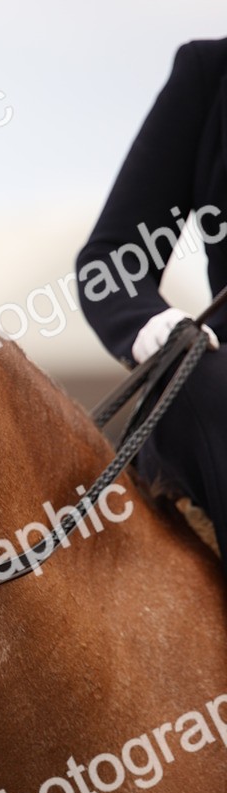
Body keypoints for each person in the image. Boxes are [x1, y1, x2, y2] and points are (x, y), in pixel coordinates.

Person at [75, 37, 227, 568]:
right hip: (221, 385)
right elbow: (112, 260)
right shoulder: (209, 75)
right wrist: (155, 328)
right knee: (192, 388)